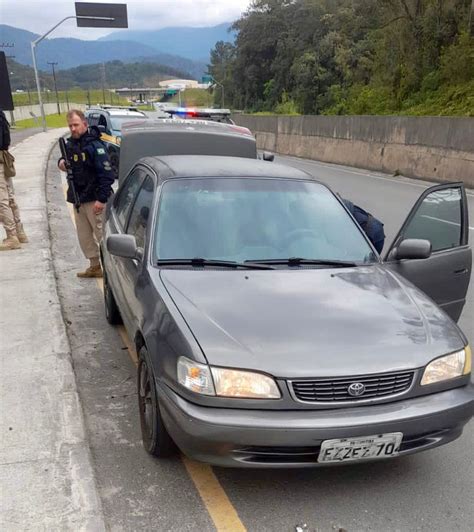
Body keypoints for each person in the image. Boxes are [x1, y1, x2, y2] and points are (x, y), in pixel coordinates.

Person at [58, 109, 114, 277]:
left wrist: (102, 199)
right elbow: (65, 160)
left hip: (95, 199)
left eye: (76, 125)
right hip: (78, 198)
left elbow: (107, 174)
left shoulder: (95, 146)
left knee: (102, 236)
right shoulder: (71, 144)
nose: (73, 129)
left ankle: (111, 272)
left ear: (84, 124)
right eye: (70, 126)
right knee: (84, 237)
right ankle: (95, 266)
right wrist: (61, 162)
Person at [0, 109, 28, 251]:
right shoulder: (1, 113)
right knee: (10, 198)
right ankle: (19, 232)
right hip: (4, 158)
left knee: (2, 201)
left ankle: (12, 236)